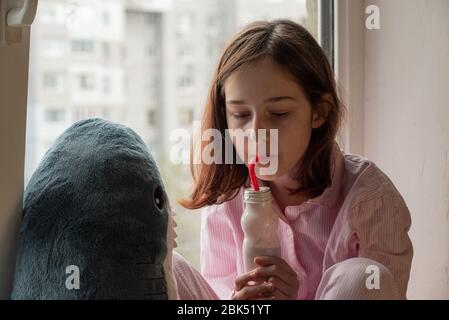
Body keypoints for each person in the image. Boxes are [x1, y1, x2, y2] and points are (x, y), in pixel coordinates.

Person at [176, 19, 413, 300]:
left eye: (278, 114)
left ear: (319, 112)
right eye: (240, 115)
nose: (256, 134)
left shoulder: (371, 200)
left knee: (360, 277)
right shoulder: (227, 201)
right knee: (167, 265)